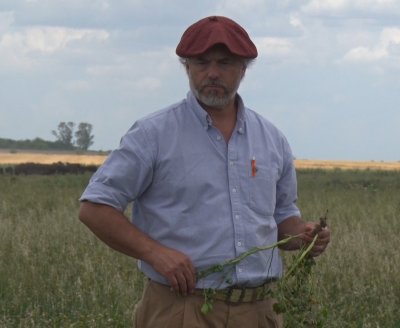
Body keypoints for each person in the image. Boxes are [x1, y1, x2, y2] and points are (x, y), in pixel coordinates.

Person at [79, 15, 330, 328]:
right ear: (186, 67)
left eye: (225, 63)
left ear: (244, 68)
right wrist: (156, 253)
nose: (212, 73)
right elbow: (95, 208)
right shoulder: (153, 134)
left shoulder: (271, 139)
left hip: (259, 311)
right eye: (201, 62)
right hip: (180, 309)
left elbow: (283, 219)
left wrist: (304, 236)